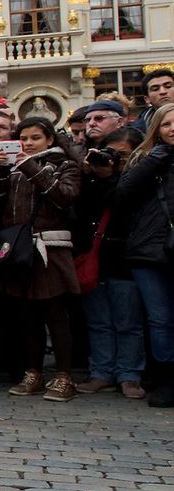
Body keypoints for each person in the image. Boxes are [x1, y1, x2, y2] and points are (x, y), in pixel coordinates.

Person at [0, 117, 81, 402]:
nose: (28, 144)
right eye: (23, 139)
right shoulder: (12, 169)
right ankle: (34, 372)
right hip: (18, 249)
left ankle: (64, 375)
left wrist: (30, 166)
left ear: (49, 139)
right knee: (26, 316)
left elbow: (65, 197)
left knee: (55, 314)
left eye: (35, 138)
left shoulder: (65, 165)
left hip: (50, 248)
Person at [74, 125, 144, 398]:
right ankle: (101, 372)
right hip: (94, 255)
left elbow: (123, 203)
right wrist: (92, 175)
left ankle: (130, 375)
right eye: (110, 154)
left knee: (128, 322)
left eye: (122, 156)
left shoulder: (141, 177)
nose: (114, 161)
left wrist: (109, 178)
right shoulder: (92, 178)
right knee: (99, 321)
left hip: (124, 257)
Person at [114, 104, 174, 407]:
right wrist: (157, 159)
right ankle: (166, 379)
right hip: (150, 250)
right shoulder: (145, 158)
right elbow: (123, 194)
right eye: (167, 124)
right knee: (160, 319)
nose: (173, 128)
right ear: (157, 130)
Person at [136, 68, 174, 133]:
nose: (163, 92)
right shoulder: (137, 132)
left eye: (168, 86)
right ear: (147, 98)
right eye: (155, 89)